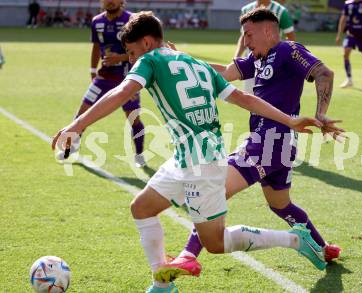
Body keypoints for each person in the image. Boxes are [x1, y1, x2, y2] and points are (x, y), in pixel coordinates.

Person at [52, 11, 340, 293]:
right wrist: (289, 119)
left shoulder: (151, 60)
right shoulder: (215, 63)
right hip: (191, 156)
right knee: (143, 207)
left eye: (131, 52)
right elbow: (239, 92)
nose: (130, 59)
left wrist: (77, 125)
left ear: (148, 44)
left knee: (215, 236)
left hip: (227, 154)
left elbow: (121, 92)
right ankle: (162, 284)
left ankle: (289, 240)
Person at [155, 8, 343, 282]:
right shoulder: (257, 60)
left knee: (214, 190)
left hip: (269, 141)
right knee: (281, 204)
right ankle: (324, 249)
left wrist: (321, 112)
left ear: (268, 31)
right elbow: (224, 72)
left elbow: (324, 72)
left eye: (249, 34)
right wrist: (181, 60)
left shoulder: (289, 50)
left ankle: (188, 255)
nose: (246, 41)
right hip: (276, 146)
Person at [59, 0, 146, 167]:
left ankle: (139, 154)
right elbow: (96, 46)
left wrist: (119, 58)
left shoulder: (132, 21)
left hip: (128, 78)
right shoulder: (97, 21)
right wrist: (92, 70)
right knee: (82, 113)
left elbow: (141, 50)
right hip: (104, 77)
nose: (110, 1)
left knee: (133, 118)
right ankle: (71, 148)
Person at [236, 0, 296, 94]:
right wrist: (237, 56)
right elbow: (244, 36)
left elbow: (291, 37)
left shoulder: (280, 11)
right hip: (251, 61)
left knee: (270, 98)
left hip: (272, 62)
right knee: (250, 98)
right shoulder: (246, 9)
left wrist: (283, 56)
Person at [336, 0, 362, 90]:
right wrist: (339, 34)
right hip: (351, 35)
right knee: (345, 54)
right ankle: (349, 79)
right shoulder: (348, 4)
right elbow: (343, 19)